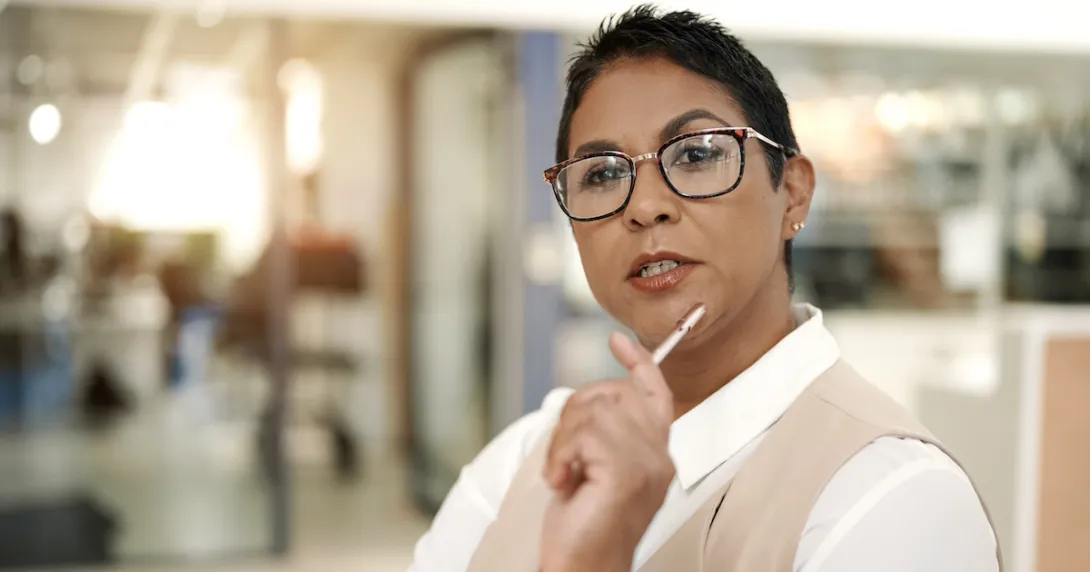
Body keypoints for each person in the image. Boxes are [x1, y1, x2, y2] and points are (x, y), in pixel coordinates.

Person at [410, 6, 1000, 572]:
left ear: (793, 194)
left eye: (696, 154)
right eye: (603, 173)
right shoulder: (527, 455)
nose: (644, 206)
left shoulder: (892, 495)